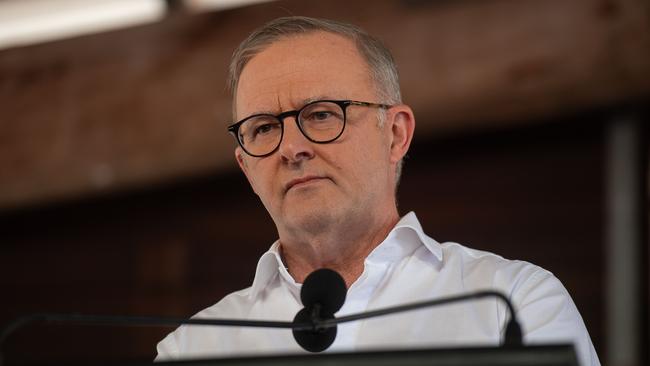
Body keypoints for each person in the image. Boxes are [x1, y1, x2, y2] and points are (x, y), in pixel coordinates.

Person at [156, 16, 600, 366]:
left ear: (395, 134)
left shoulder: (513, 304)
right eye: (264, 128)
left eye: (322, 115)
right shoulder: (193, 348)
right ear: (246, 167)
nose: (292, 148)